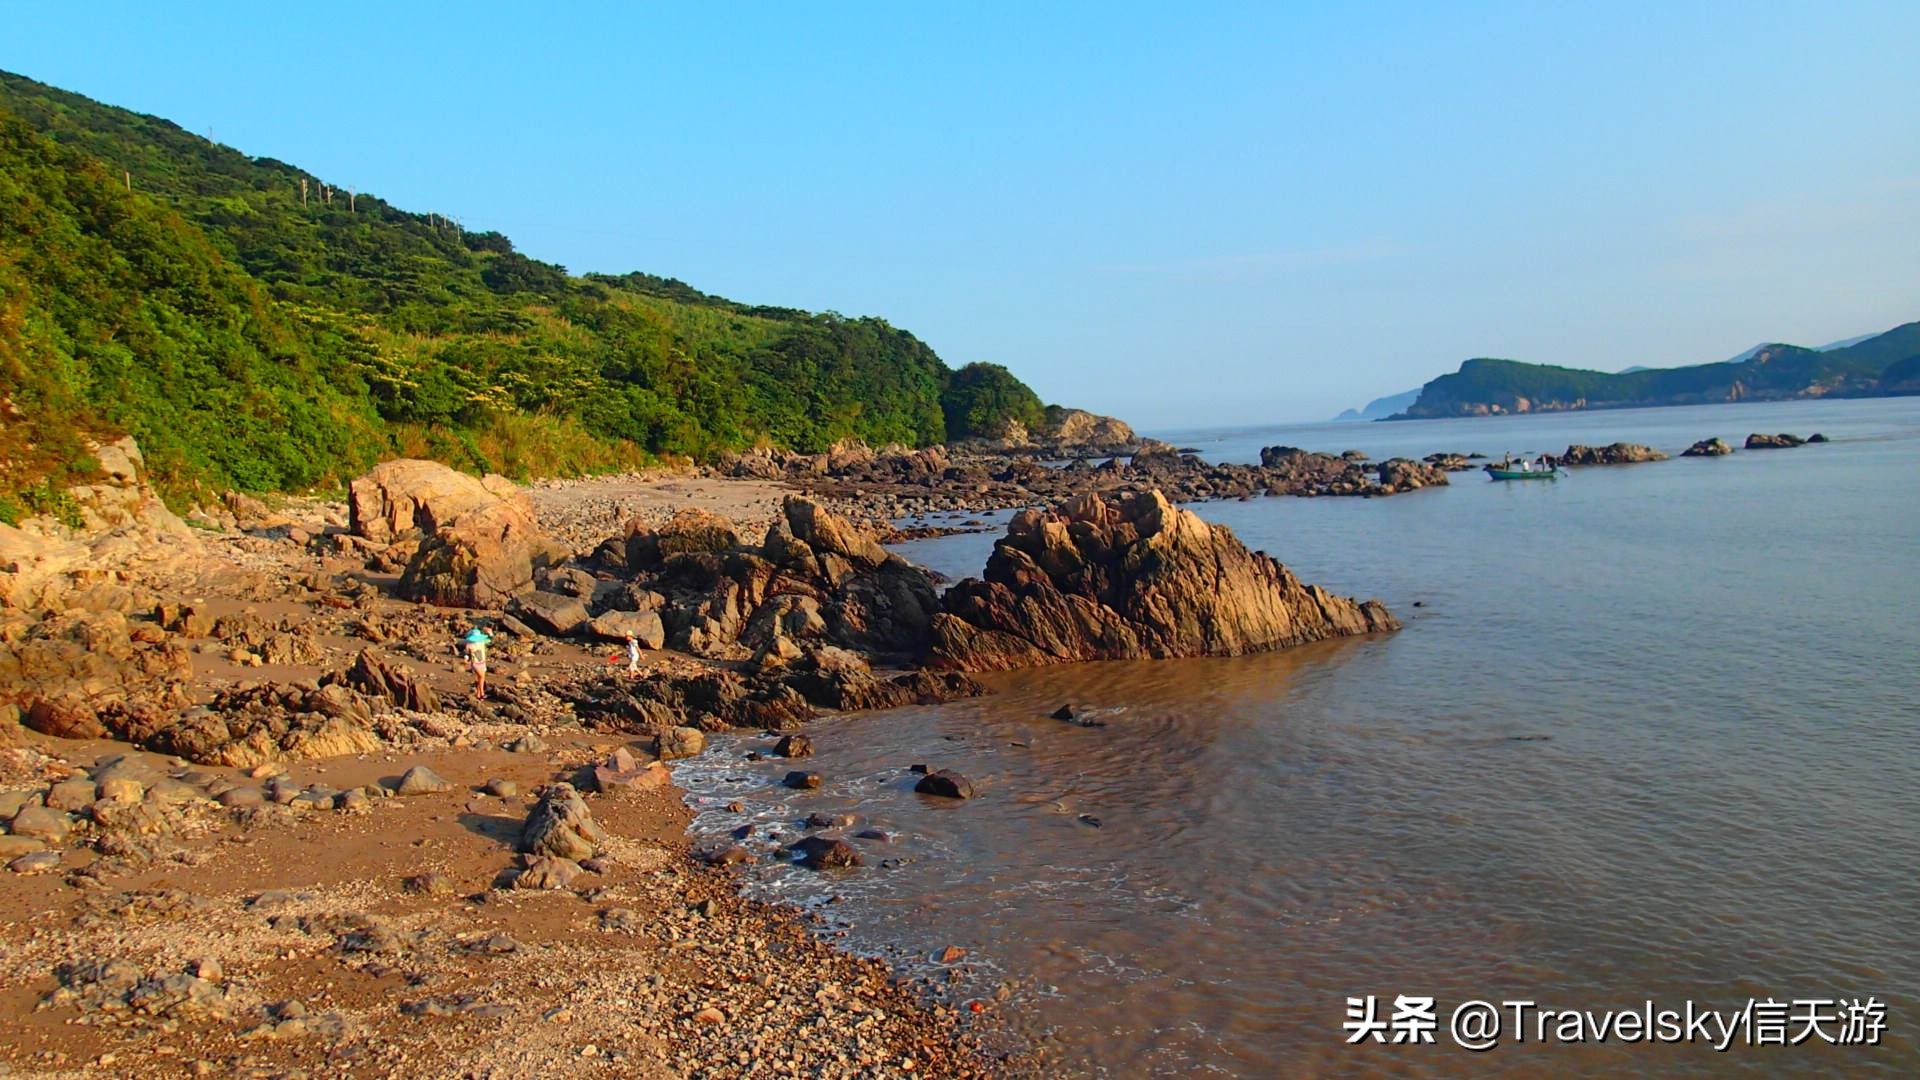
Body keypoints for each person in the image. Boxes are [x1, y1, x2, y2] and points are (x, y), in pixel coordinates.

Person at [463, 626, 492, 699]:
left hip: (482, 662)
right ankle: (482, 693)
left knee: (480, 678)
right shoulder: (469, 645)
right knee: (482, 677)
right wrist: (466, 659)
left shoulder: (482, 641)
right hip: (475, 663)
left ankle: (478, 695)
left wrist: (490, 633)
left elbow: (490, 641)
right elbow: (466, 653)